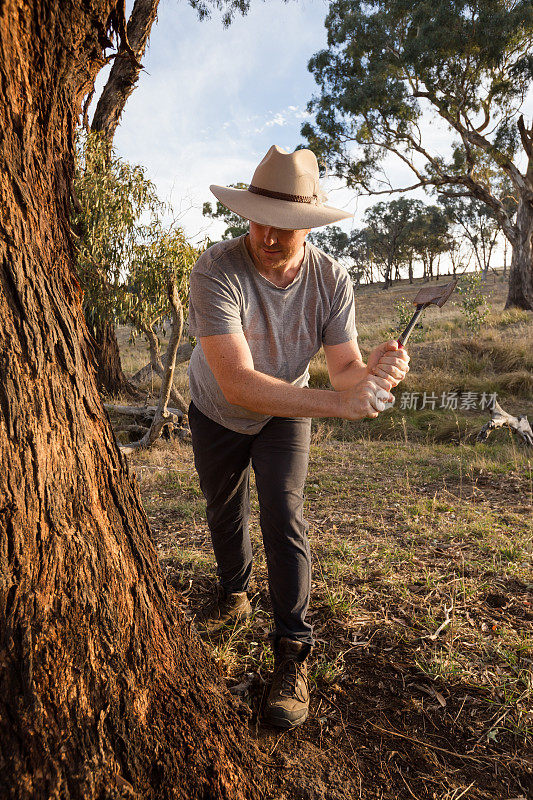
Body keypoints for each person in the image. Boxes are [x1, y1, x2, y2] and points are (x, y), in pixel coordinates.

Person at [187, 145, 409, 729]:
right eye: (258, 218)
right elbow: (236, 382)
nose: (267, 234)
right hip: (216, 407)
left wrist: (376, 375)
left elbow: (345, 372)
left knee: (284, 516)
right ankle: (233, 590)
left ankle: (292, 652)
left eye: (284, 225)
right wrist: (343, 402)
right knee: (222, 506)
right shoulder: (216, 268)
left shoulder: (330, 279)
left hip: (287, 408)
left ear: (306, 225)